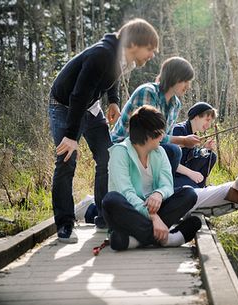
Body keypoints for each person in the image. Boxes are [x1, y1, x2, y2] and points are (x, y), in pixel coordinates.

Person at [48, 18, 159, 243]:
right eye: (150, 49)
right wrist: (71, 135)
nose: (152, 55)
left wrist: (113, 101)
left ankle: (103, 216)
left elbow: (112, 78)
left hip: (89, 104)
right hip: (65, 104)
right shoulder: (102, 55)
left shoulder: (122, 56)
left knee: (107, 158)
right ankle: (65, 224)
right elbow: (77, 94)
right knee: (66, 159)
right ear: (135, 44)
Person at [102, 105, 201, 250]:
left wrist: (159, 194)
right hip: (131, 214)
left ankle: (134, 240)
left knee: (189, 193)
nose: (163, 137)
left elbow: (167, 185)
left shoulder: (159, 152)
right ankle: (167, 239)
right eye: (159, 133)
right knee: (111, 200)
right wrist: (153, 217)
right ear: (147, 135)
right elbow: (126, 193)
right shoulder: (120, 152)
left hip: (151, 213)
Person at [110, 56, 201, 175]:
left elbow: (164, 138)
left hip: (147, 148)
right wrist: (183, 140)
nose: (188, 86)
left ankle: (160, 188)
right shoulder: (148, 92)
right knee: (173, 151)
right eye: (185, 81)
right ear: (174, 77)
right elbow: (147, 134)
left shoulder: (176, 104)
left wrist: (186, 143)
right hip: (125, 145)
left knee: (173, 151)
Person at [172, 102, 218, 188]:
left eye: (211, 121)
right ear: (196, 117)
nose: (209, 125)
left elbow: (191, 157)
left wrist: (205, 148)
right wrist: (191, 173)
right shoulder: (179, 130)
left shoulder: (195, 134)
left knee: (210, 155)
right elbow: (169, 160)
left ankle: (201, 185)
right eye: (207, 120)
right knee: (193, 188)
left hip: (185, 173)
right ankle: (196, 187)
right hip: (174, 175)